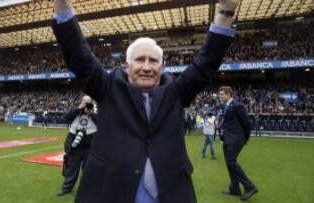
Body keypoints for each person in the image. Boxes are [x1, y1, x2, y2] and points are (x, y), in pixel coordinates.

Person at [51, 0, 239, 202]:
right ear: (127, 65)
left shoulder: (176, 92)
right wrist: (62, 4)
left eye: (153, 61)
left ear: (162, 66)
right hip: (110, 192)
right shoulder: (107, 88)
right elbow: (79, 56)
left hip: (170, 193)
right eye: (140, 60)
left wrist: (226, 11)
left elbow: (207, 61)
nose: (147, 67)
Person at [218, 86, 258, 201]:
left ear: (228, 94)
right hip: (227, 139)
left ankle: (250, 187)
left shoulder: (237, 106)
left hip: (236, 139)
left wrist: (245, 138)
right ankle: (235, 188)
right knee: (229, 163)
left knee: (231, 162)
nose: (220, 97)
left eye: (222, 94)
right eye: (220, 94)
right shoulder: (225, 106)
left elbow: (247, 124)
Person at [57, 95, 97, 196]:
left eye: (88, 102)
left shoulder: (95, 111)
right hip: (75, 147)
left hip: (89, 147)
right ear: (81, 102)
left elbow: (103, 123)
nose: (86, 104)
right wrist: (79, 108)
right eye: (85, 102)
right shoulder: (76, 111)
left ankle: (86, 190)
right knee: (71, 169)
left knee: (88, 170)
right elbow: (66, 118)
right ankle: (66, 188)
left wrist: (91, 114)